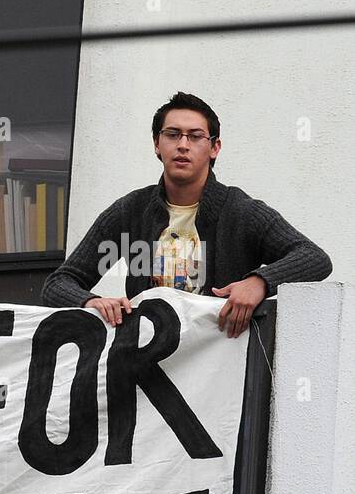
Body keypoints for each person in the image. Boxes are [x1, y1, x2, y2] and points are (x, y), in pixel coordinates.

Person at [41, 91, 331, 338]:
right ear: (157, 144)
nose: (182, 145)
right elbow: (58, 283)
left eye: (195, 136)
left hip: (220, 367)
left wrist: (259, 282)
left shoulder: (241, 211)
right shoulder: (130, 210)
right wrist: (89, 302)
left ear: (214, 147)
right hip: (145, 364)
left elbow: (314, 258)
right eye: (172, 134)